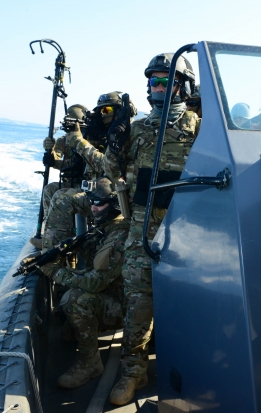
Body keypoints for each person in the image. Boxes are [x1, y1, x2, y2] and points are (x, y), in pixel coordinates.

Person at [103, 53, 201, 405]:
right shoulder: (141, 128)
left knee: (190, 305)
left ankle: (192, 372)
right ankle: (133, 371)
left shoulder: (199, 128)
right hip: (142, 230)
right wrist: (115, 139)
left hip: (186, 232)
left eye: (164, 81)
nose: (156, 87)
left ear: (182, 85)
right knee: (138, 303)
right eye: (152, 81)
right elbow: (111, 170)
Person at [41, 176, 129, 389]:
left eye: (99, 203)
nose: (93, 207)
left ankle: (90, 363)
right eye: (91, 202)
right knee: (67, 327)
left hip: (125, 308)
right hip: (112, 296)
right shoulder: (105, 226)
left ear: (115, 204)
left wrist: (53, 271)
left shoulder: (120, 235)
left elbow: (94, 284)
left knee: (75, 299)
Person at [40, 92, 135, 251]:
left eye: (106, 111)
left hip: (112, 197)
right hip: (93, 189)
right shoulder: (98, 133)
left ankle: (54, 252)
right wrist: (53, 156)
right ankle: (55, 240)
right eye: (100, 111)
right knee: (51, 189)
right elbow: (78, 165)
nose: (101, 115)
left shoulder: (124, 135)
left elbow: (105, 166)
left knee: (62, 198)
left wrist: (79, 141)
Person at [30, 104, 90, 249]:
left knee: (60, 195)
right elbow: (56, 156)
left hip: (86, 186)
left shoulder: (90, 139)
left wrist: (59, 163)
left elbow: (83, 164)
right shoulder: (65, 140)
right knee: (50, 189)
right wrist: (49, 151)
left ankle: (56, 241)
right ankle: (52, 234)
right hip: (70, 183)